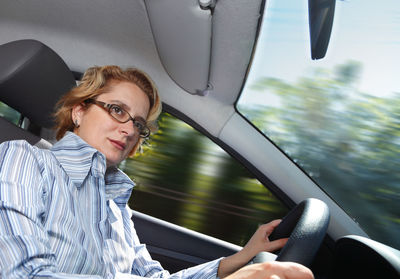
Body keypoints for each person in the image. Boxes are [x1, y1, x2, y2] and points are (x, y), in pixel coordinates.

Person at [0, 65, 313, 279]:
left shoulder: (114, 206)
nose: (129, 130)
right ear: (79, 110)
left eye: (138, 124)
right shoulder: (22, 160)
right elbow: (24, 275)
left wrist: (242, 258)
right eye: (117, 110)